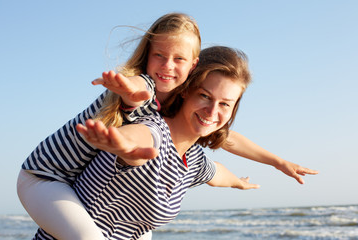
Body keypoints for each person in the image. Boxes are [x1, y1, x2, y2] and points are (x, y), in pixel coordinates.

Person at [17, 13, 318, 240]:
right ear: (147, 55)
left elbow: (224, 142)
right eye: (159, 55)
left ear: (192, 65)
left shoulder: (187, 127)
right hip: (45, 176)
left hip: (81, 186)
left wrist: (267, 167)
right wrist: (125, 124)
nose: (167, 66)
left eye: (178, 59)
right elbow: (141, 135)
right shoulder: (145, 90)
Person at [56, 45, 260, 239]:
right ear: (185, 90)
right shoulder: (156, 129)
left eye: (225, 104)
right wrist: (122, 143)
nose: (213, 111)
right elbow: (141, 137)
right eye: (205, 96)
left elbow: (217, 174)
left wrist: (240, 183)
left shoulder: (193, 159)